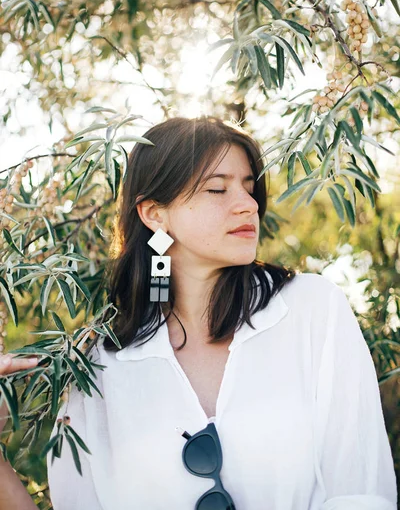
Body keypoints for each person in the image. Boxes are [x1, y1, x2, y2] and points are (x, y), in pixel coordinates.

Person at [0, 116, 397, 510]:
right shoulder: (100, 362)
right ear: (155, 214)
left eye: (248, 187)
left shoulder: (312, 310)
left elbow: (361, 492)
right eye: (217, 189)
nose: (248, 205)